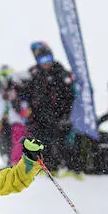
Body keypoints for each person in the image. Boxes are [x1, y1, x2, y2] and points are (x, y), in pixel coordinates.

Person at [24, 42, 74, 172]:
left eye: (48, 59)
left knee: (61, 140)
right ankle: (50, 167)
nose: (46, 63)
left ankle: (73, 168)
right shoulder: (34, 73)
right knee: (41, 141)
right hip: (40, 114)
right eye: (42, 60)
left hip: (59, 113)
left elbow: (69, 94)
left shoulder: (60, 71)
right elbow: (27, 92)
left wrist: (66, 114)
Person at [0, 65, 31, 165]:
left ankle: (19, 160)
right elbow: (1, 105)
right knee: (11, 141)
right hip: (11, 120)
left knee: (21, 140)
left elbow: (18, 103)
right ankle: (13, 161)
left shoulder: (16, 88)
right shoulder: (2, 91)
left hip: (18, 119)